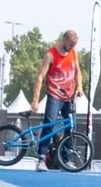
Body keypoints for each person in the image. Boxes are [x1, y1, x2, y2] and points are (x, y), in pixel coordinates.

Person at [29, 29, 82, 170]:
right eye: (70, 44)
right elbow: (40, 77)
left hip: (69, 96)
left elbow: (77, 71)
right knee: (49, 124)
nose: (72, 47)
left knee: (72, 127)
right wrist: (35, 100)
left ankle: (66, 159)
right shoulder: (50, 55)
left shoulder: (74, 52)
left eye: (74, 45)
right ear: (64, 41)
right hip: (55, 95)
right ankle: (41, 158)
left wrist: (80, 87)